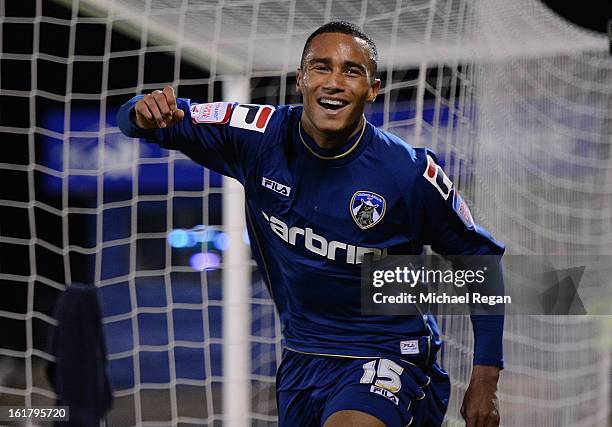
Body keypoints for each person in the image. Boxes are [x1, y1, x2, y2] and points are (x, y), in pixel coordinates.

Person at [117, 21, 504, 427]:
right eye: (321, 68)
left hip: (390, 352)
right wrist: (143, 112)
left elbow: (479, 260)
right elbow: (145, 117)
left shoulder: (407, 173)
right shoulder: (257, 138)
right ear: (301, 79)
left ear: (373, 89)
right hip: (302, 357)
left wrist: (485, 377)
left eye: (351, 71)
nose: (334, 82)